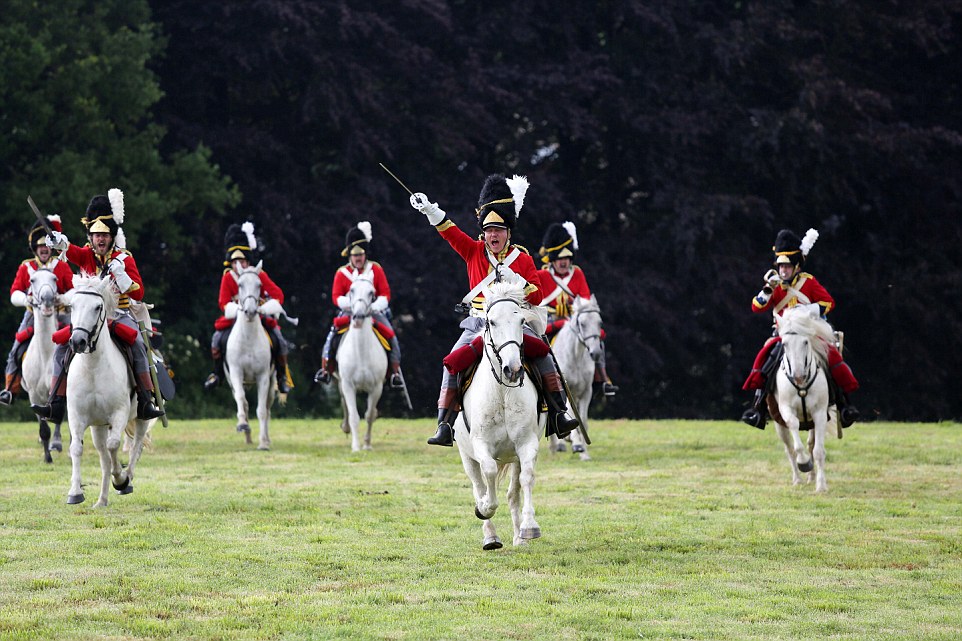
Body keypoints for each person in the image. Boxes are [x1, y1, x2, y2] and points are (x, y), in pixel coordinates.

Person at [409, 173, 580, 447]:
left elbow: (537, 295)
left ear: (508, 232)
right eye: (488, 230)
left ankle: (559, 414)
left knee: (543, 354)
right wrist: (429, 208)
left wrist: (518, 280)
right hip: (478, 323)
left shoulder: (522, 258)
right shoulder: (473, 251)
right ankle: (444, 424)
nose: (493, 235)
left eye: (498, 230)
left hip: (513, 323)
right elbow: (448, 230)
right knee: (453, 362)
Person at [34, 189, 164, 422]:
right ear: (91, 237)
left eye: (104, 235)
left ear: (112, 237)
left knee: (136, 344)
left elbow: (139, 291)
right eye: (95, 235)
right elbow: (72, 252)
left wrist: (122, 277)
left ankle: (145, 400)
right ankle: (55, 403)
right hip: (90, 317)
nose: (100, 239)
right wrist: (59, 243)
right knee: (63, 348)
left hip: (118, 314)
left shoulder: (124, 258)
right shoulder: (86, 255)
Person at [741, 228, 860, 429]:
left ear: (796, 267)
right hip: (783, 334)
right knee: (765, 359)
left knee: (832, 358)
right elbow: (756, 307)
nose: (783, 271)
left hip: (809, 334)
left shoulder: (809, 282)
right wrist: (767, 290)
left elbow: (828, 303)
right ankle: (758, 408)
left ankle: (844, 405)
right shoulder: (774, 285)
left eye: (787, 267)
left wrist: (806, 310)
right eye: (780, 266)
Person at [203, 222, 293, 393]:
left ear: (247, 261)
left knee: (279, 341)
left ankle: (282, 377)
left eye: (242, 261)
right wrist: (236, 309)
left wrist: (265, 308)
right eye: (235, 261)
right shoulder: (228, 277)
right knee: (216, 340)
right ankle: (217, 374)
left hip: (258, 315)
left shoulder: (259, 275)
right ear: (230, 262)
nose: (239, 265)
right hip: (236, 317)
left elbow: (278, 295)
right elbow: (223, 302)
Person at [314, 221, 404, 388]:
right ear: (350, 256)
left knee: (391, 336)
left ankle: (394, 372)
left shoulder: (375, 269)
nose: (358, 258)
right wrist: (352, 305)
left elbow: (385, 294)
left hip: (373, 312)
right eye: (355, 255)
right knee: (332, 336)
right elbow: (336, 297)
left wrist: (374, 307)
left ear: (365, 254)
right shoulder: (342, 273)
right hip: (349, 312)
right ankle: (326, 370)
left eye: (361, 254)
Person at [537, 221, 618, 396]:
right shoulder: (542, 275)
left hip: (574, 319)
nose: (564, 262)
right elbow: (536, 301)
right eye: (560, 258)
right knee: (537, 343)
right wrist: (556, 309)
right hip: (550, 320)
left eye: (567, 258)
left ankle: (602, 379)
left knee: (596, 339)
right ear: (552, 259)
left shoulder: (578, 273)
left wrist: (572, 307)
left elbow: (586, 300)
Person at [0, 215, 74, 405]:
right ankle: (10, 388)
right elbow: (14, 293)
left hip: (62, 314)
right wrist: (28, 299)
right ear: (35, 247)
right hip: (33, 315)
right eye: (40, 246)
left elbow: (75, 290)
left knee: (80, 342)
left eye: (47, 246)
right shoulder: (26, 267)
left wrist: (62, 298)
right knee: (16, 349)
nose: (44, 249)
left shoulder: (62, 266)